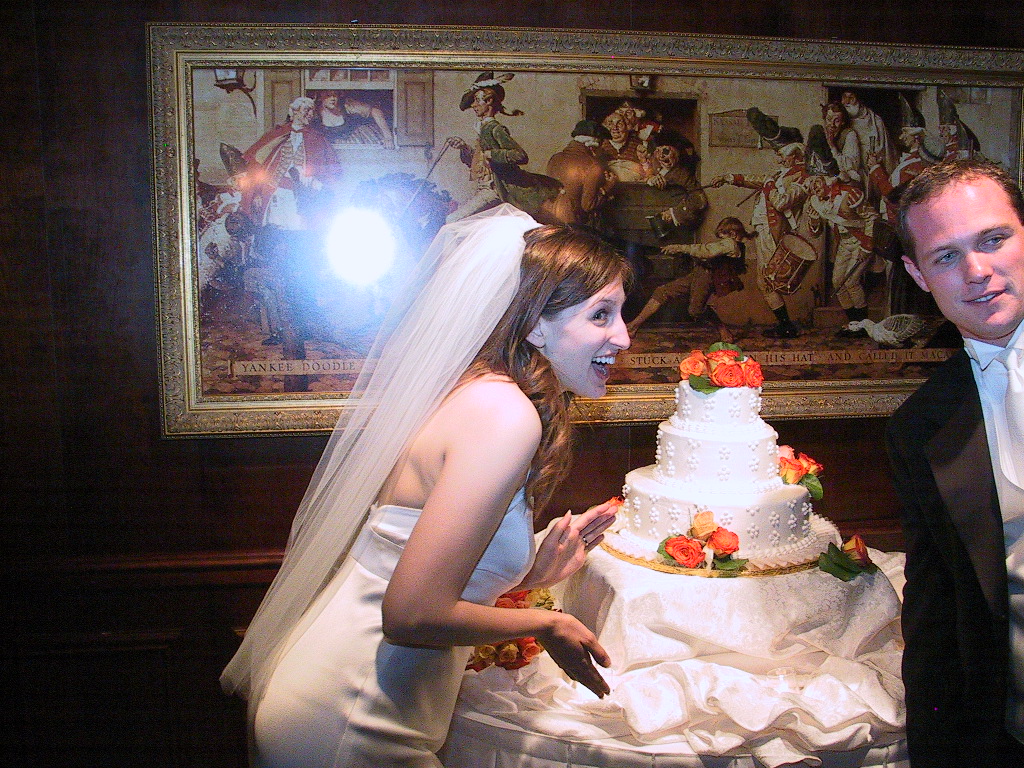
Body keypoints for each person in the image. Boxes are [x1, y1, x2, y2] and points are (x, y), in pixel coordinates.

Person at [221, 204, 632, 768]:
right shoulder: (505, 414)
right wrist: (550, 621)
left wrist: (533, 572)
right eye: (601, 314)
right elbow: (411, 613)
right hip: (353, 716)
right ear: (536, 323)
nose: (624, 336)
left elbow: (420, 567)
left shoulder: (475, 392)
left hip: (351, 697)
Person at [887, 158, 1024, 766]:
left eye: (993, 239)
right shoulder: (919, 426)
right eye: (946, 256)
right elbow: (936, 618)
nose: (977, 271)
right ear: (918, 275)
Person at [444, 73, 561, 223]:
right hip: (483, 188)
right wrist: (463, 147)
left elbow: (520, 155)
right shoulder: (483, 128)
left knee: (452, 220)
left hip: (494, 191)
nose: (473, 105)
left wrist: (491, 154)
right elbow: (480, 162)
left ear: (489, 101)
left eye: (477, 100)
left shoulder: (495, 128)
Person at [626, 216, 751, 341]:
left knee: (696, 311)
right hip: (700, 273)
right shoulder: (730, 244)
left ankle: (723, 329)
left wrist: (679, 248)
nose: (721, 241)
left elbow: (706, 251)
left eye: (723, 237)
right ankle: (633, 326)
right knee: (662, 292)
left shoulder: (731, 244)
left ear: (733, 234)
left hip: (706, 277)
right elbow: (708, 254)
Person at [545, 119, 615, 226]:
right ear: (592, 147)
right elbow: (588, 205)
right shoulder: (593, 165)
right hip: (574, 226)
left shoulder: (555, 158)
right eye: (601, 145)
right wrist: (608, 187)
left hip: (549, 222)